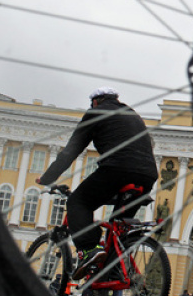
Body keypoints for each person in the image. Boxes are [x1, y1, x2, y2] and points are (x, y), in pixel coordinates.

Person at [36, 87, 158, 279]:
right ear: (115, 99)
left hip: (118, 170)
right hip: (148, 176)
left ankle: (90, 249)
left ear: (95, 102)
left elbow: (71, 150)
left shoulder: (95, 112)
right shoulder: (132, 114)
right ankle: (113, 270)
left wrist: (48, 178)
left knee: (78, 202)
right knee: (118, 227)